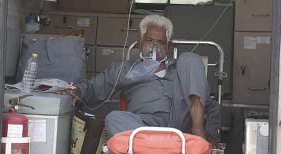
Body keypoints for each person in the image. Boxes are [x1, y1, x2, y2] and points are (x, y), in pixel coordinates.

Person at [66, 14, 221, 146]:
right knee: (113, 118)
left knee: (190, 58)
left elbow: (209, 105)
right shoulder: (125, 69)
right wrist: (77, 90)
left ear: (168, 46)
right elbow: (93, 87)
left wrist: (211, 133)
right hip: (143, 125)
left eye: (160, 42)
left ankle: (196, 133)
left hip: (180, 123)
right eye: (150, 40)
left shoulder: (179, 69)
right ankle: (165, 145)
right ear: (139, 43)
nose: (155, 46)